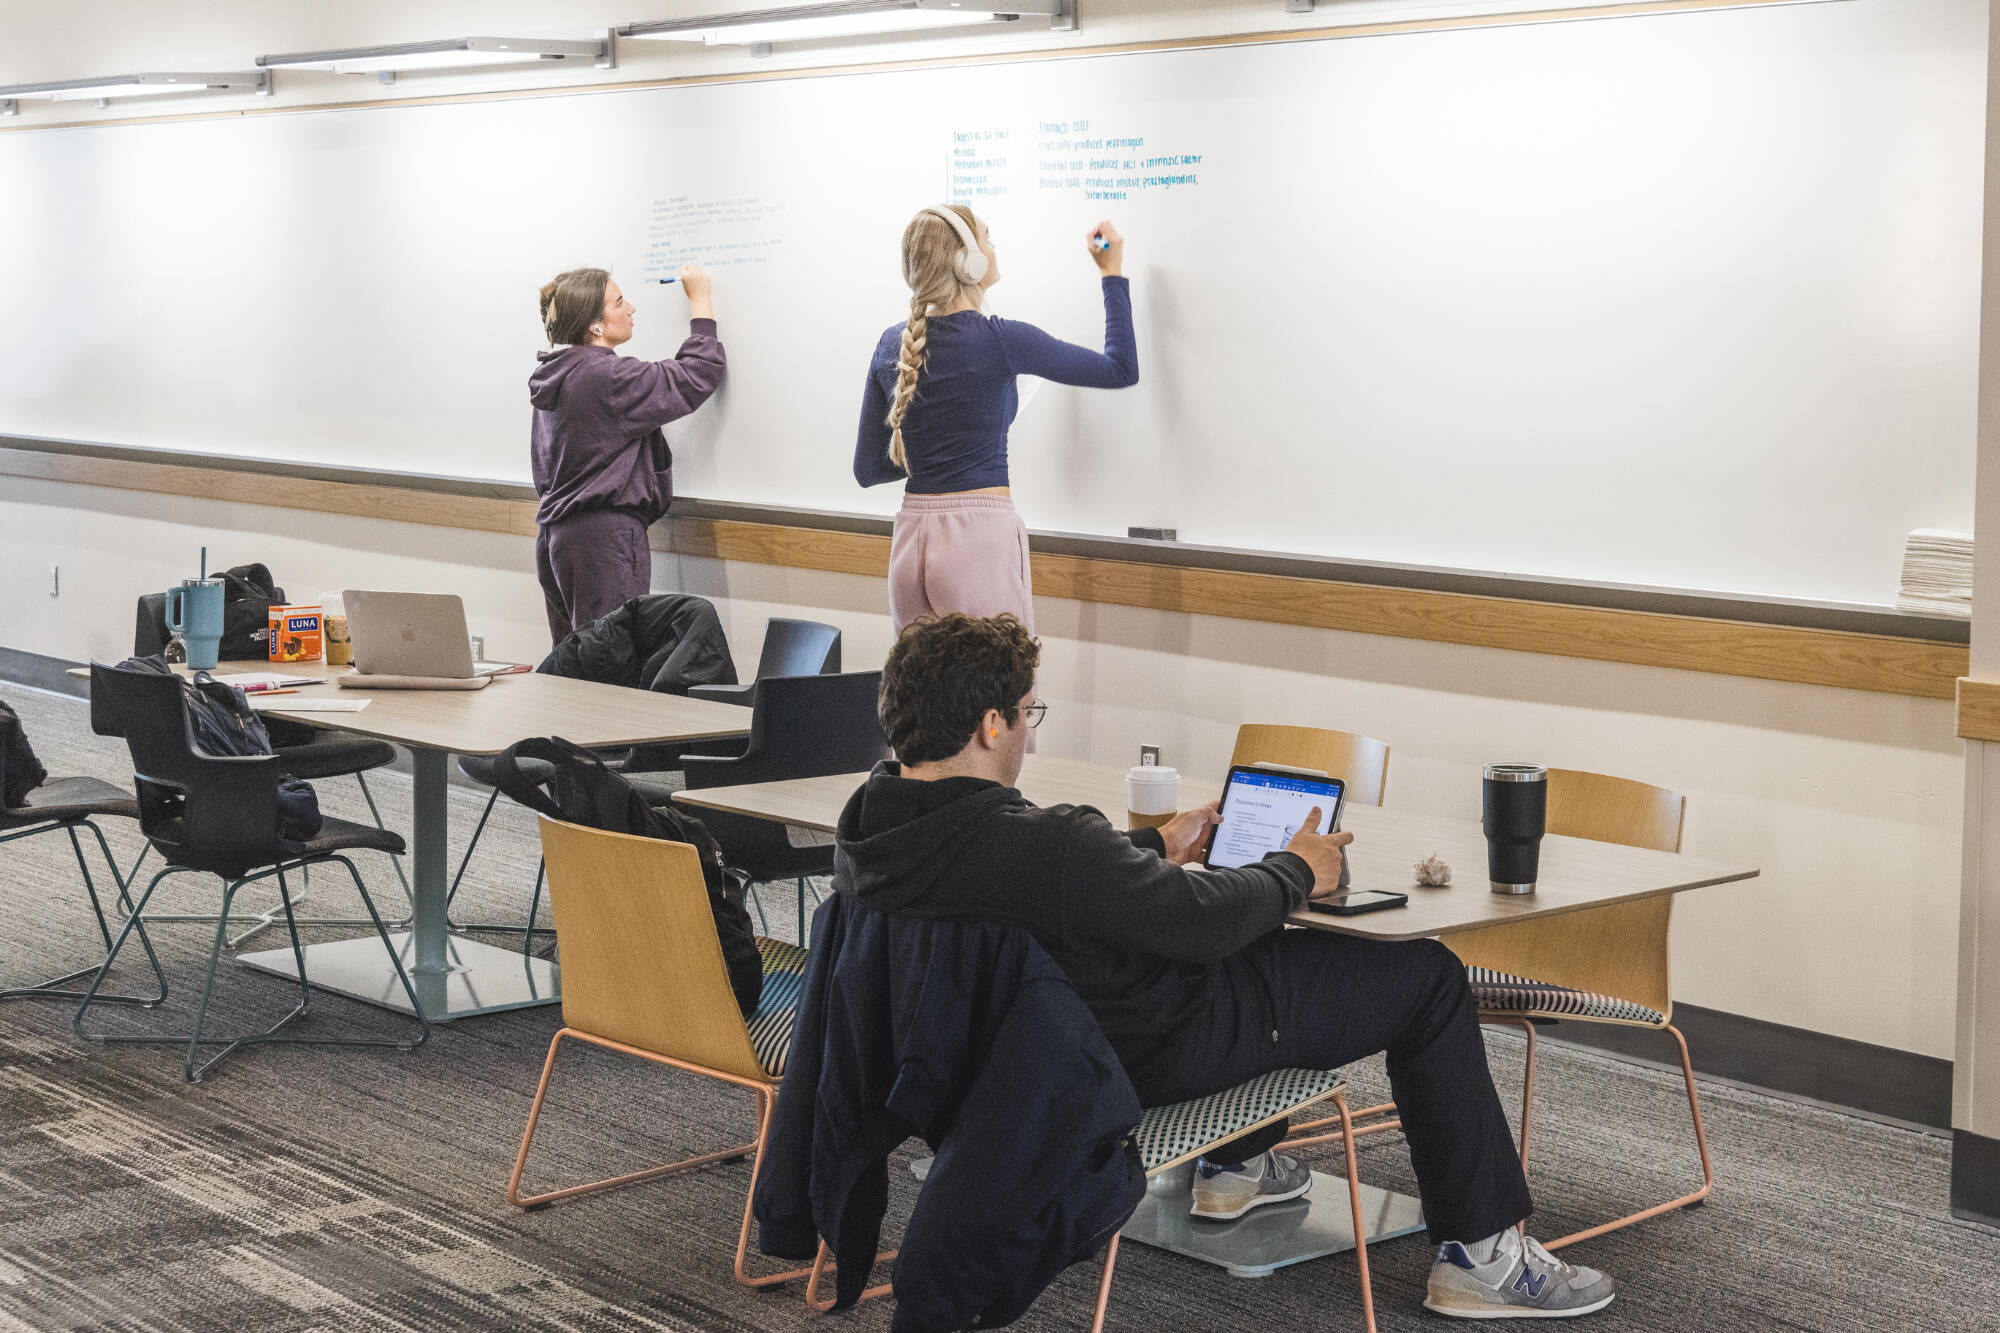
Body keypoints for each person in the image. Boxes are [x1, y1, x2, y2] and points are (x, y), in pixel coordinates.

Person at [830, 613, 1619, 1321]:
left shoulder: (872, 830)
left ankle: (1235, 1167)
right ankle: (1483, 1259)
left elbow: (1042, 883)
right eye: (1027, 714)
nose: (1027, 735)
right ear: (990, 722)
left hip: (984, 1071)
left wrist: (1149, 848)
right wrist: (1298, 869)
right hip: (1145, 1053)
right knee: (1429, 977)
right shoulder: (1046, 844)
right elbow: (1199, 922)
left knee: (1263, 942)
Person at [854, 205, 1139, 637]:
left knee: (921, 682)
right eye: (986, 237)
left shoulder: (892, 342)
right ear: (968, 261)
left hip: (910, 543)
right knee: (998, 678)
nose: (993, 245)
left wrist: (936, 449)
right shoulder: (1002, 339)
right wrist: (1111, 271)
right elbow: (1120, 369)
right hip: (976, 541)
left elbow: (868, 469)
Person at [529, 264, 726, 646]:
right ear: (594, 325)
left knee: (574, 662)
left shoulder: (556, 374)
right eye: (619, 303)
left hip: (557, 538)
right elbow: (697, 373)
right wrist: (700, 301)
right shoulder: (608, 377)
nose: (631, 309)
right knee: (612, 663)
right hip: (602, 543)